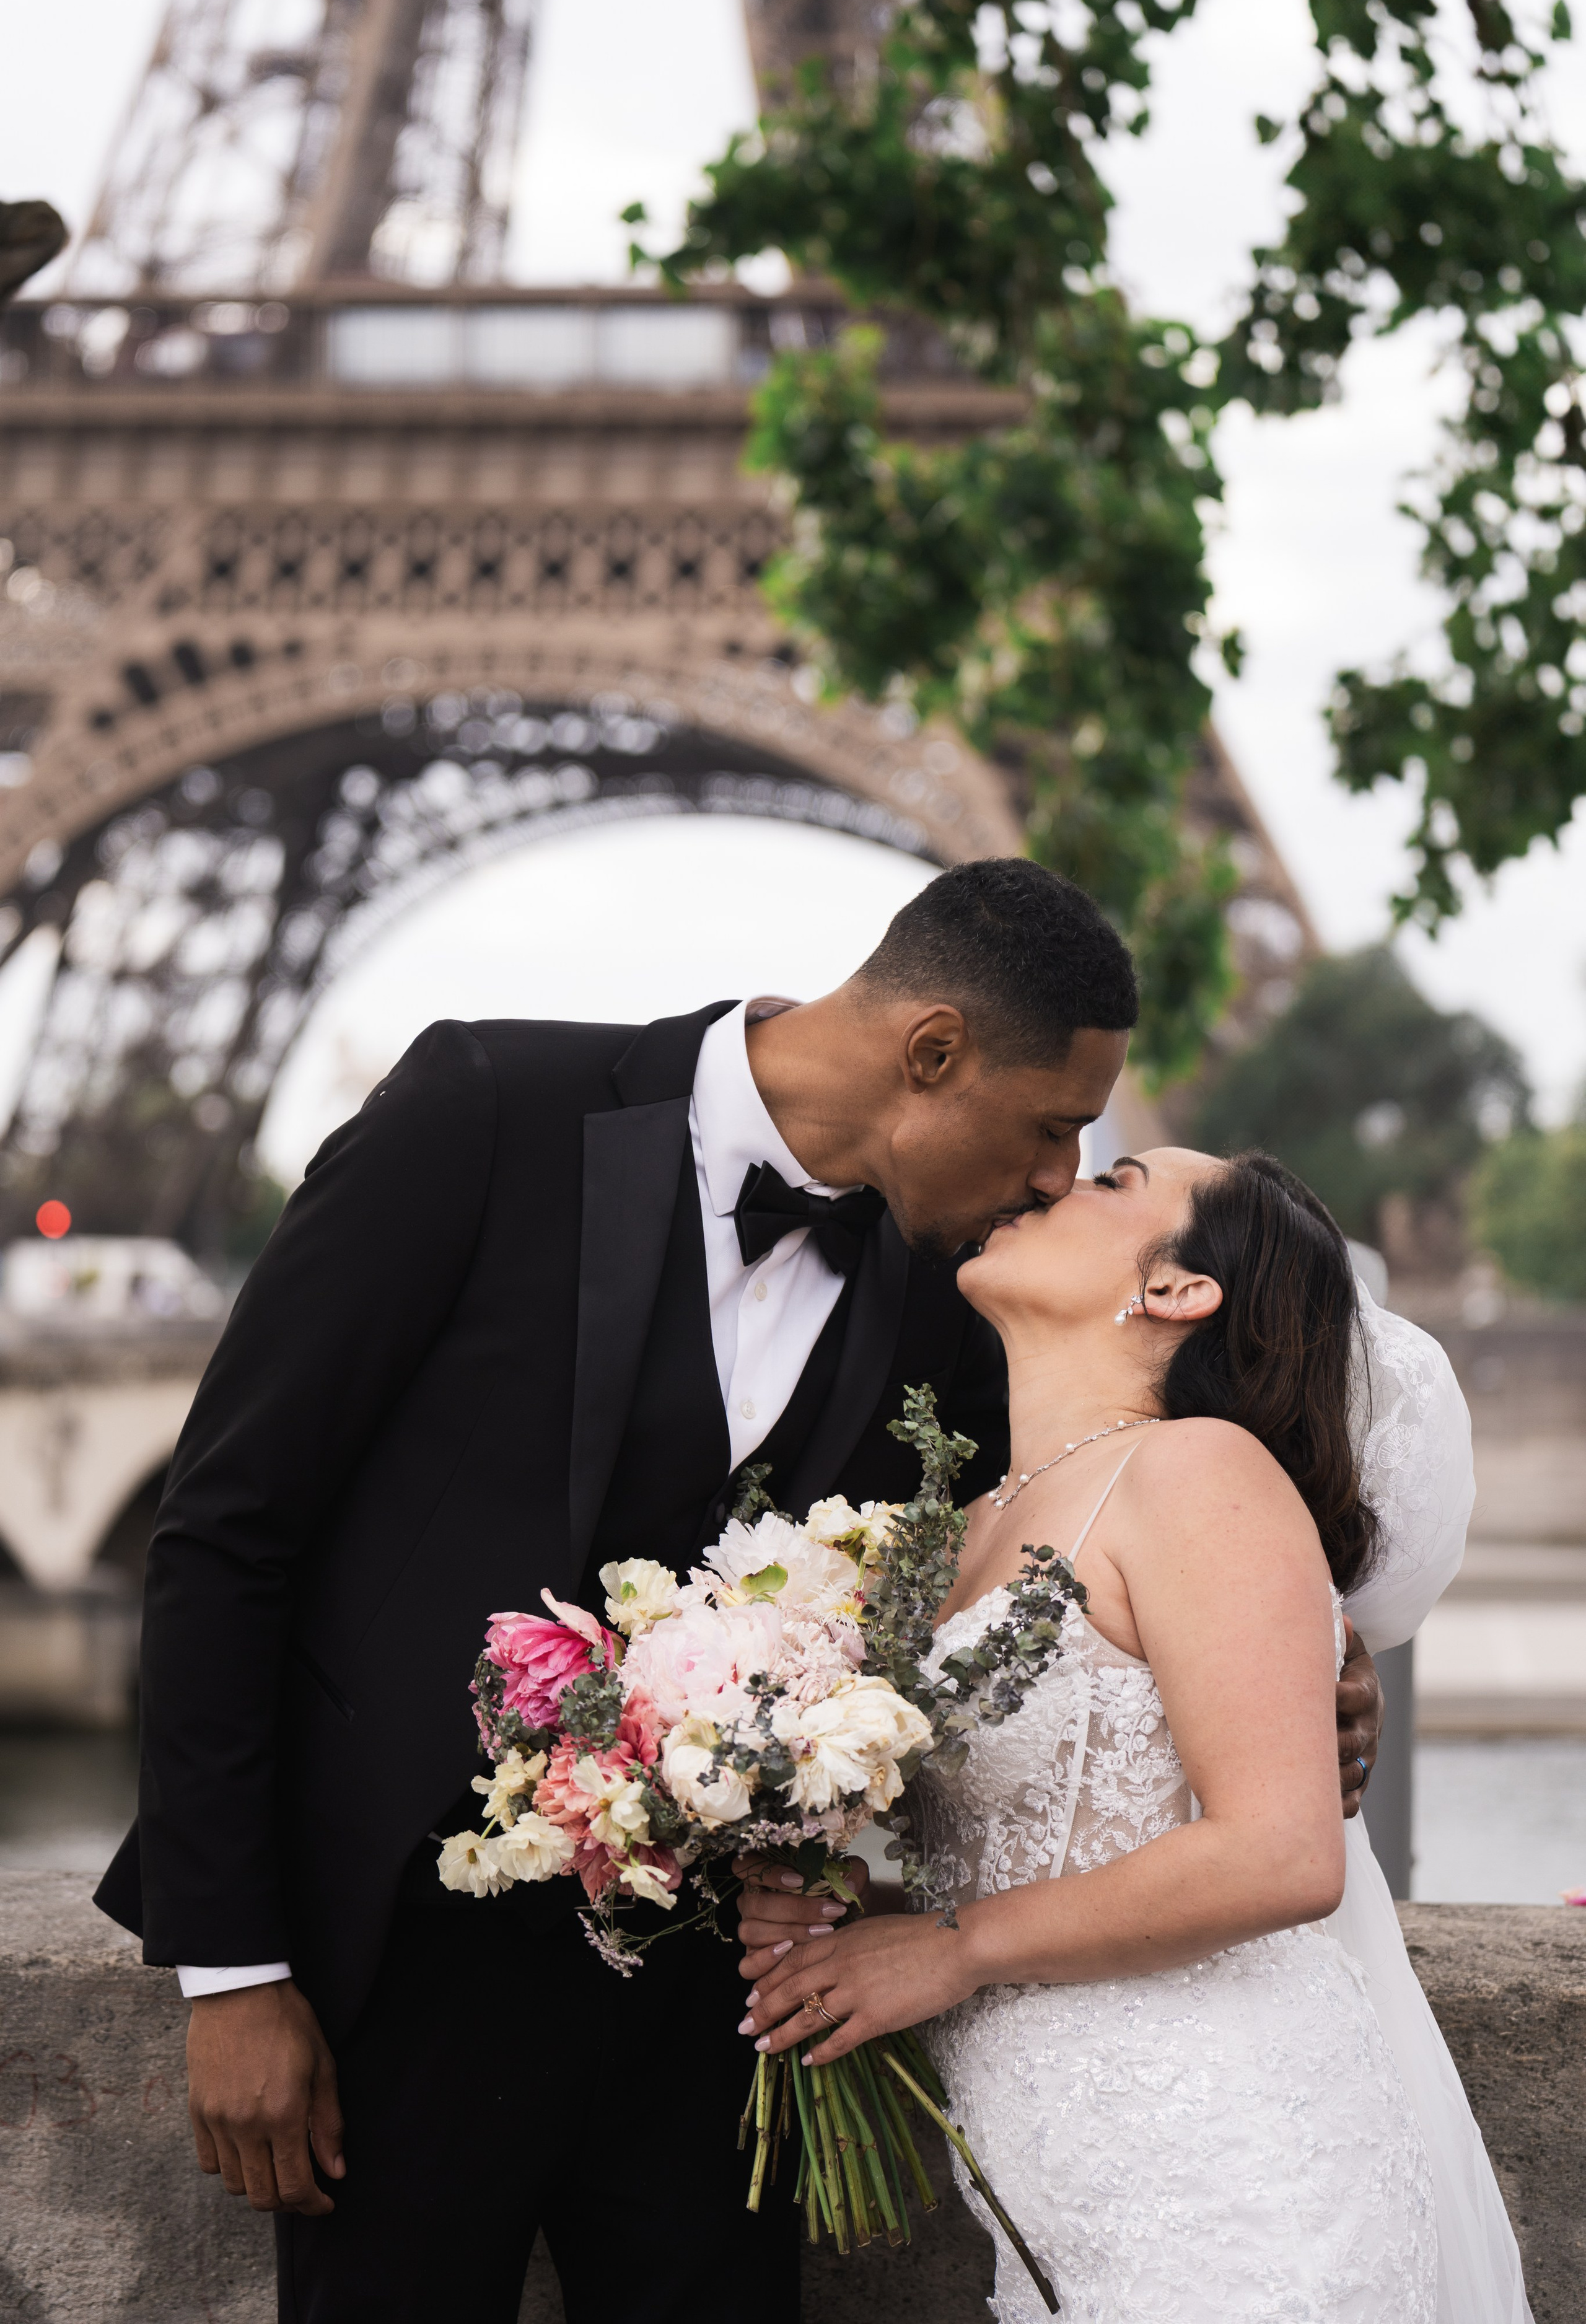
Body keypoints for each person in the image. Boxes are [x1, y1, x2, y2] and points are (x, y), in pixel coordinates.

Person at [95, 858, 1222, 2324]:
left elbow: (1099, 1478)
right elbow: (227, 1530)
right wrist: (232, 1972)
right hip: (395, 1973)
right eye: (1050, 1126)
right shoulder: (482, 1110)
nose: (1057, 1178)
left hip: (723, 2015)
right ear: (929, 1052)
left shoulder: (947, 1287)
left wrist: (1313, 1626)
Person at [740, 1146, 1532, 2322]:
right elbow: (1045, 1854)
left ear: (1178, 1290)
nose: (1052, 1183)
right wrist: (854, 1917)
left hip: (1241, 2184)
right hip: (1065, 2210)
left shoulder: (1200, 1472)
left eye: (1115, 1181)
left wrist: (948, 1949)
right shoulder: (947, 1535)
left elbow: (1281, 1853)